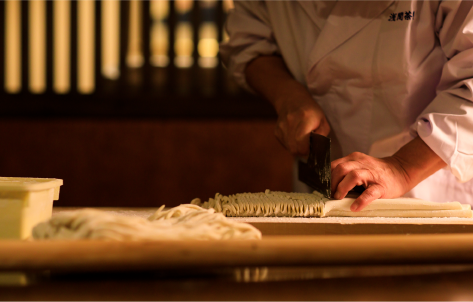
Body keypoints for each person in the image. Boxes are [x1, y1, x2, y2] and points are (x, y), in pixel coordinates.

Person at [220, 1, 473, 211]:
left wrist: (402, 168)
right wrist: (287, 94)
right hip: (321, 192)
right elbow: (248, 42)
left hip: (430, 184)